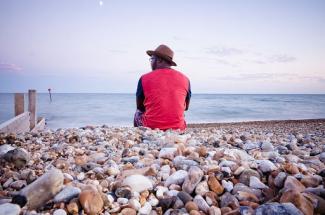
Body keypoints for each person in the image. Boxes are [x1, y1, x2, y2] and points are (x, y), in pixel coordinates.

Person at [134, 44, 191, 131]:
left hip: (150, 127)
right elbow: (186, 107)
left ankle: (140, 135)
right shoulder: (185, 79)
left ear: (159, 60)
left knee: (138, 113)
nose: (151, 62)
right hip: (178, 128)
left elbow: (140, 107)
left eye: (152, 59)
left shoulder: (144, 78)